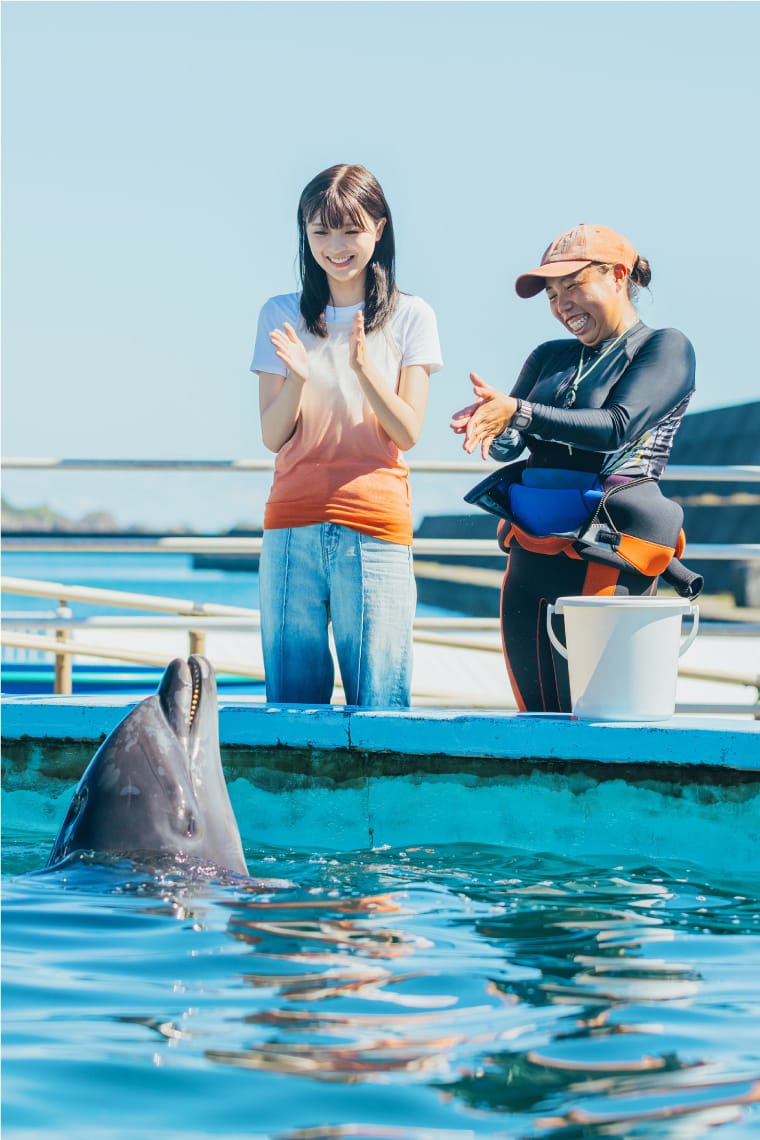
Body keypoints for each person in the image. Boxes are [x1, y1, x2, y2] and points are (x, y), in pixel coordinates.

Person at [450, 223, 697, 712]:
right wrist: (493, 428)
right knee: (534, 710)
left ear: (618, 276)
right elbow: (517, 445)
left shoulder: (664, 347)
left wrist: (518, 411)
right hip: (534, 541)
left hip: (611, 542)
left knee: (599, 713)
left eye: (574, 286)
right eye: (552, 294)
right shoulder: (549, 356)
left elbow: (615, 426)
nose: (562, 304)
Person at [251, 164, 442, 707]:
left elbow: (406, 431)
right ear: (305, 234)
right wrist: (300, 379)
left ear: (379, 229)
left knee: (380, 712)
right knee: (290, 713)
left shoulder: (411, 316)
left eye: (351, 230)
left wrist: (364, 368)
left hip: (376, 528)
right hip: (291, 526)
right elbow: (273, 434)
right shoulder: (281, 314)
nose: (336, 246)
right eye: (321, 231)